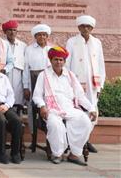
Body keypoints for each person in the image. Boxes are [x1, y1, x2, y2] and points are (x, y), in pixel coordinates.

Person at [33, 47, 97, 166]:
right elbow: (37, 95)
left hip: (69, 108)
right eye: (56, 59)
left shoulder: (70, 75)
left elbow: (80, 96)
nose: (58, 62)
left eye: (61, 60)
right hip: (51, 109)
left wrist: (91, 108)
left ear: (64, 61)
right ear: (51, 60)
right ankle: (57, 154)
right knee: (55, 124)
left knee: (86, 122)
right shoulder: (44, 75)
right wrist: (42, 106)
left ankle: (74, 154)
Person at [66, 15, 105, 153]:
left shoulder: (97, 42)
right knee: (78, 112)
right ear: (79, 27)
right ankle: (77, 142)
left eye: (89, 27)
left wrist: (100, 86)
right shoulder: (72, 42)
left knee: (93, 111)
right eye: (83, 26)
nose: (86, 29)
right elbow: (67, 64)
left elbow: (101, 65)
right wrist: (69, 83)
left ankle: (86, 140)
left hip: (93, 84)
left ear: (92, 28)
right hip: (77, 83)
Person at [23, 24, 52, 136]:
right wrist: (26, 87)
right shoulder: (29, 49)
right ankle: (33, 134)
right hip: (33, 84)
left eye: (44, 35)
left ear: (47, 36)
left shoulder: (52, 49)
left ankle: (50, 136)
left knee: (49, 108)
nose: (42, 37)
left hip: (49, 85)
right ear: (35, 36)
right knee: (32, 109)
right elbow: (26, 69)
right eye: (39, 35)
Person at [2, 20, 26, 106]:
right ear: (5, 32)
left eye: (14, 30)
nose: (12, 32)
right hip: (5, 72)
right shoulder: (2, 43)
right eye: (9, 30)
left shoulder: (22, 45)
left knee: (17, 94)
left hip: (18, 73)